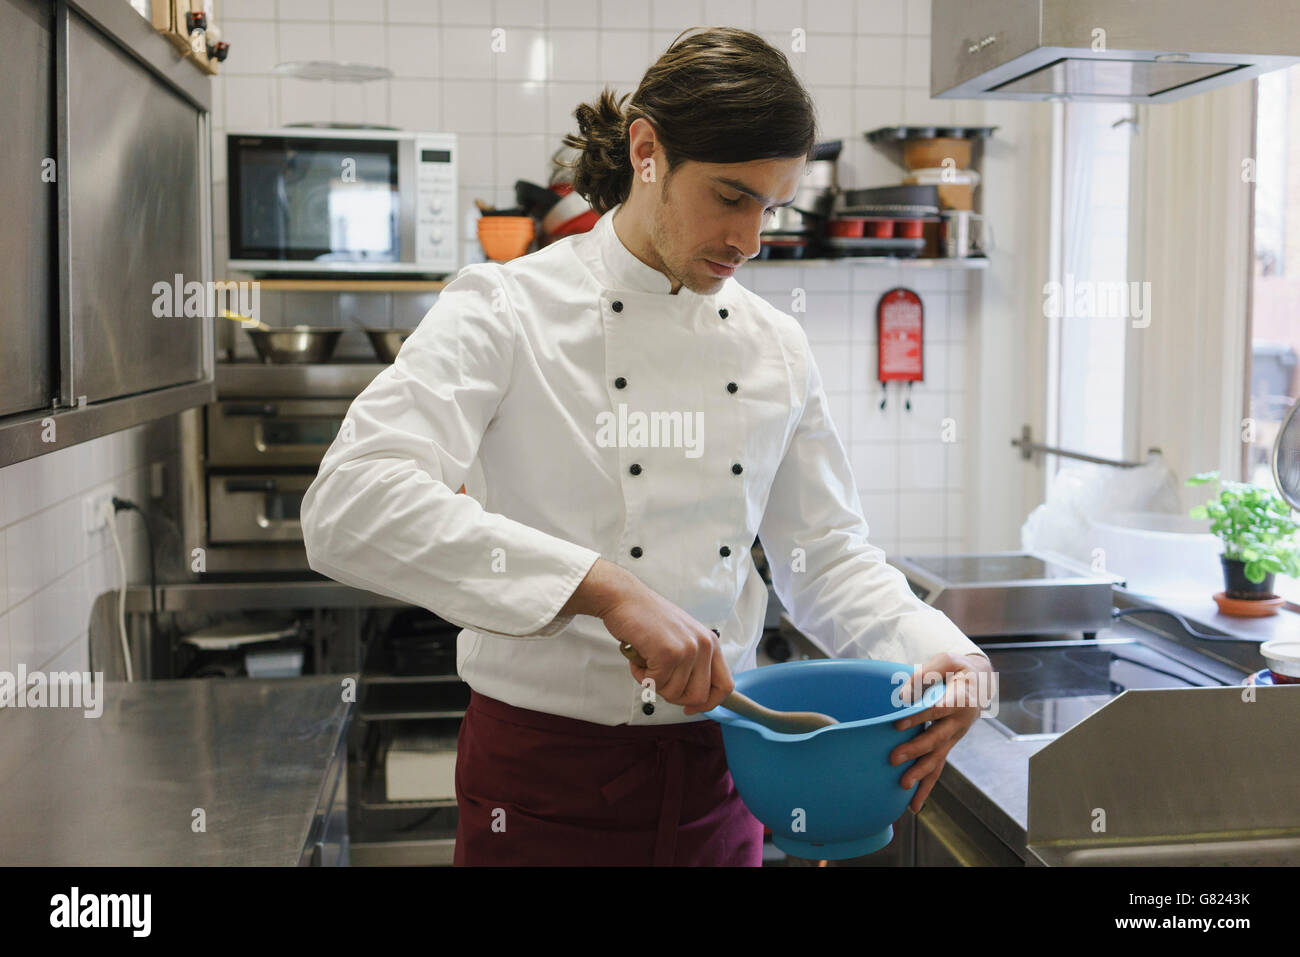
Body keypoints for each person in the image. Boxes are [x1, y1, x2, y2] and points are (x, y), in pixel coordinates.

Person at [300, 26, 992, 867]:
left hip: (724, 774)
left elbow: (827, 558)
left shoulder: (776, 347)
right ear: (646, 150)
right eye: (731, 197)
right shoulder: (505, 309)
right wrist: (605, 589)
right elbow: (347, 505)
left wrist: (941, 652)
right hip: (542, 781)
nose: (750, 240)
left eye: (770, 208)